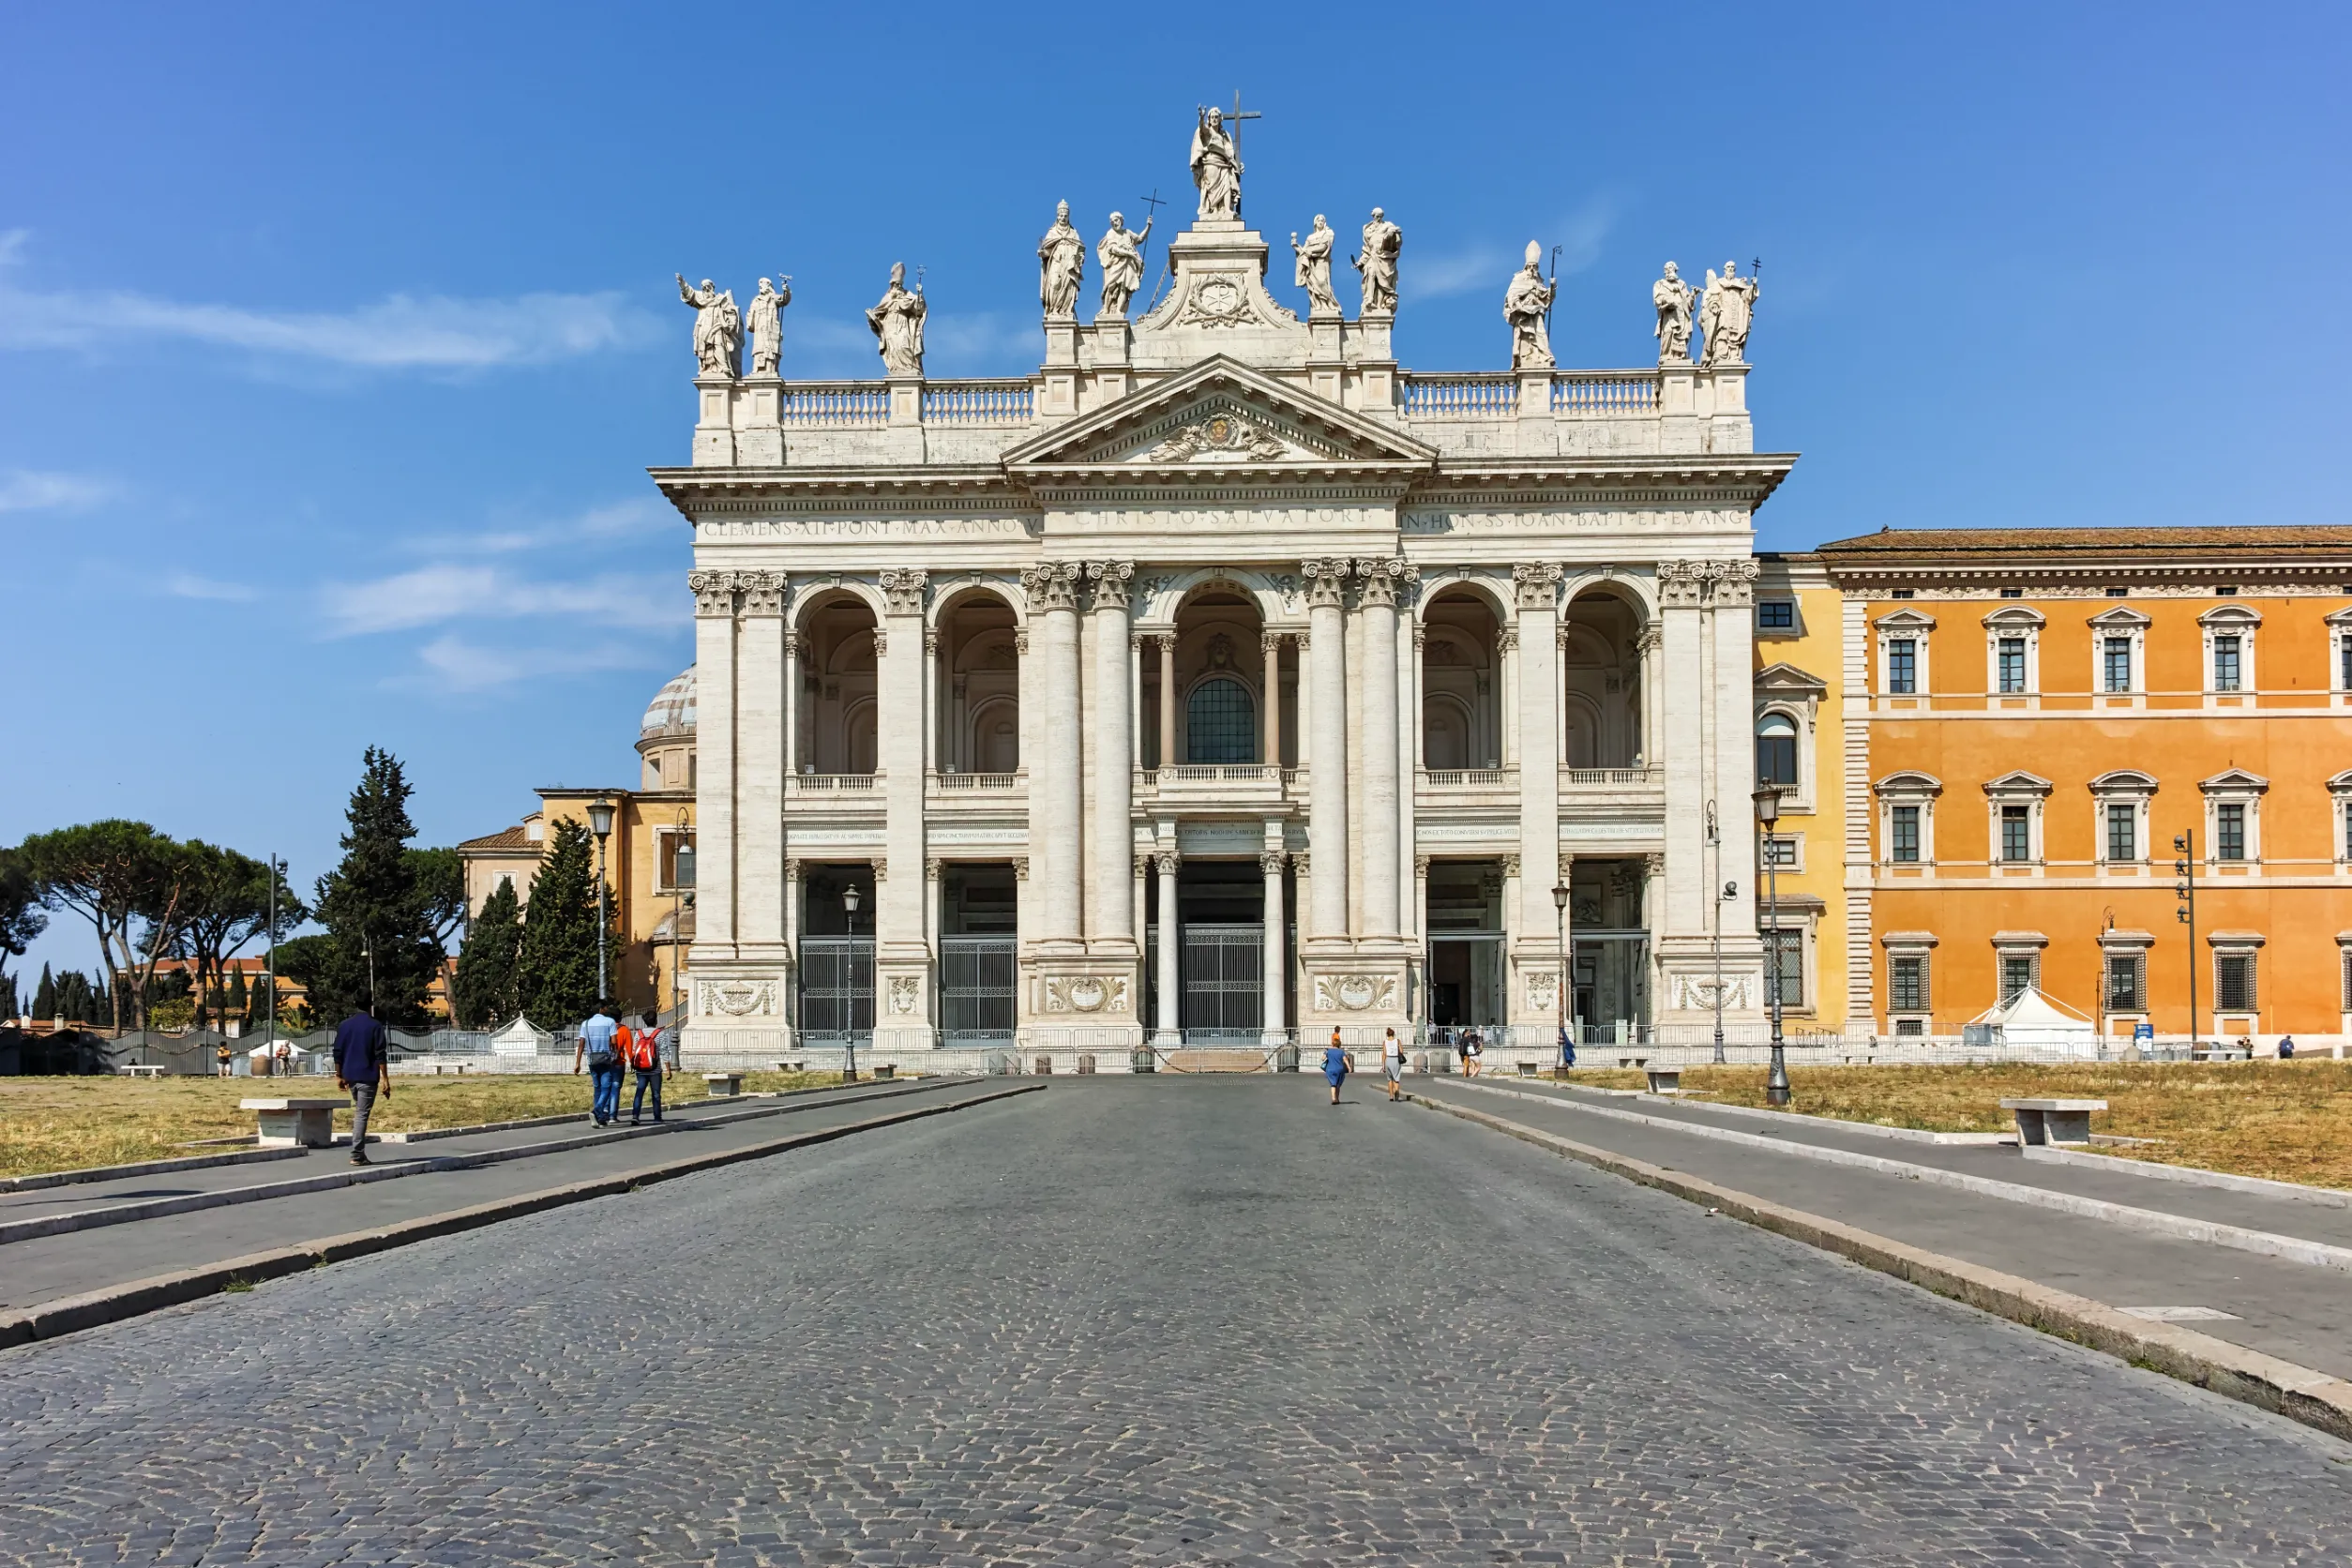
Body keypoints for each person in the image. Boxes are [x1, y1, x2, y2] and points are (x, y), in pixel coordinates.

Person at [332, 993, 390, 1166]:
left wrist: (339, 1075)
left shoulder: (344, 1025)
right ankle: (357, 1154)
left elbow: (338, 1052)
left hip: (350, 1075)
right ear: (370, 1004)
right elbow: (380, 1054)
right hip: (367, 1076)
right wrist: (385, 1078)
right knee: (361, 1114)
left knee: (360, 1111)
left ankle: (360, 1154)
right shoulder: (375, 1025)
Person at [575, 1000, 624, 1126]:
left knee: (597, 1088)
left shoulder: (585, 1024)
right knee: (607, 1088)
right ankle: (597, 1111)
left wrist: (577, 1063)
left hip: (592, 1059)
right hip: (605, 1059)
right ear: (602, 1009)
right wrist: (614, 1052)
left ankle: (600, 1118)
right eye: (606, 1008)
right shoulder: (610, 1022)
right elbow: (614, 1041)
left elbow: (581, 1044)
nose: (607, 1010)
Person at [627, 1014, 666, 1124]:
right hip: (655, 1069)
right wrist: (668, 1068)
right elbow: (664, 1051)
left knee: (639, 1092)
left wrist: (632, 1065)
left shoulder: (639, 1034)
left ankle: (635, 1115)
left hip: (640, 1069)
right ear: (655, 1021)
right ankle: (657, 1117)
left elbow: (634, 1050)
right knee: (656, 1094)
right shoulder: (660, 1034)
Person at [1322, 1028, 1349, 1106]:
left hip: (1330, 1069)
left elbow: (1322, 1059)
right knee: (1338, 1085)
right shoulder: (1341, 1051)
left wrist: (1326, 1053)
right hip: (1340, 1069)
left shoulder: (1328, 1051)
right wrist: (1349, 1067)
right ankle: (1337, 1098)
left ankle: (1333, 1098)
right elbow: (1345, 1060)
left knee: (1333, 1084)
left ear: (1332, 1044)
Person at [1381, 1027, 1404, 1102]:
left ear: (1387, 1035)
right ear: (1394, 1034)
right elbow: (1401, 1051)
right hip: (1396, 1059)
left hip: (1388, 1060)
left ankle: (1391, 1096)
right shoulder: (1397, 1041)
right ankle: (1396, 1090)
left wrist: (1383, 1065)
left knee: (1389, 1079)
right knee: (1396, 1077)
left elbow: (1384, 1054)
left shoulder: (1385, 1042)